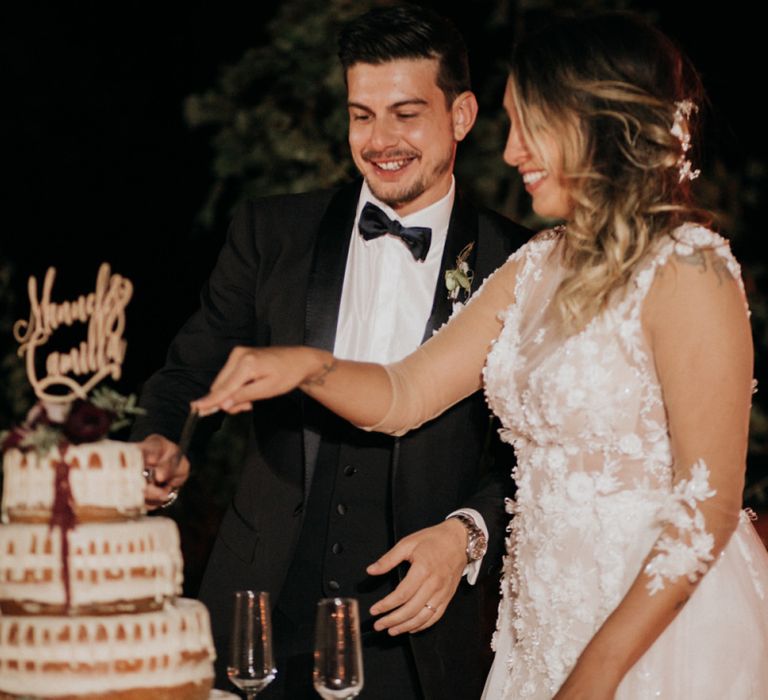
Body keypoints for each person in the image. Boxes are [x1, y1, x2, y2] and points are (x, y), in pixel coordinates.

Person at [192, 12, 768, 700]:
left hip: (656, 627)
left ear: (595, 123)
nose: (511, 152)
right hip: (540, 626)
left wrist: (597, 674)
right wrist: (306, 366)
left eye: (530, 127)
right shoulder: (535, 266)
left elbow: (708, 508)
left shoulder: (690, 270)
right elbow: (406, 395)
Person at [132, 5, 529, 699]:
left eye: (406, 114)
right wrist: (163, 441)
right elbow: (188, 371)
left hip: (419, 632)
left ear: (461, 115)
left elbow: (534, 457)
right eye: (361, 115)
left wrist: (467, 534)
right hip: (260, 607)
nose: (380, 141)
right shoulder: (272, 232)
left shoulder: (516, 261)